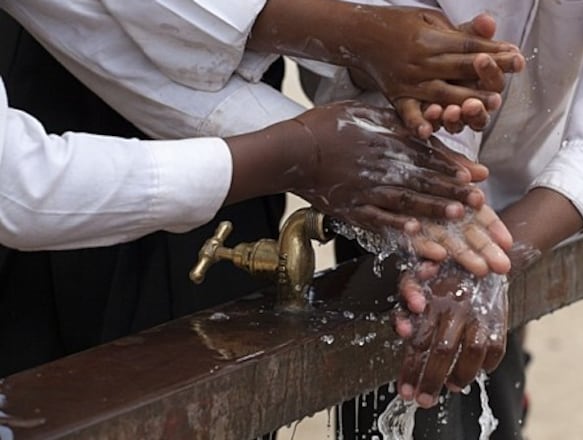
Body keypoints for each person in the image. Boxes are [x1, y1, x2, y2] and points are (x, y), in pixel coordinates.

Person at [0, 0, 520, 383]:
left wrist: (363, 60)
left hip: (244, 138)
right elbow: (23, 191)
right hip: (60, 115)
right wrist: (347, 49)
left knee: (215, 358)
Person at [311, 1, 583, 438]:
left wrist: (488, 259)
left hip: (534, 183)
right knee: (405, 359)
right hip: (397, 161)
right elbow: (375, 42)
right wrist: (466, 242)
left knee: (488, 369)